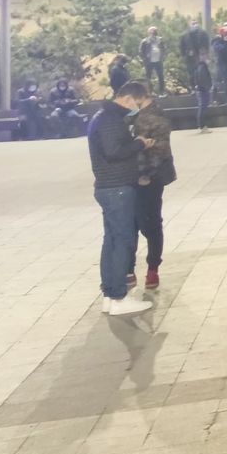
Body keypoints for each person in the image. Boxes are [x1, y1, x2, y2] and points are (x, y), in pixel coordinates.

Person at [88, 82, 153, 316]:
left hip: (110, 187)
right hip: (116, 188)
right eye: (136, 103)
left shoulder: (104, 117)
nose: (136, 108)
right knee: (122, 241)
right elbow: (113, 151)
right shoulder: (110, 120)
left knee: (112, 241)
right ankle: (118, 296)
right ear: (126, 99)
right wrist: (139, 143)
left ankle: (110, 295)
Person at [129, 84, 177, 291]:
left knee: (151, 223)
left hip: (150, 179)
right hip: (135, 178)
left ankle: (152, 268)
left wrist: (146, 175)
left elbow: (160, 150)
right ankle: (130, 269)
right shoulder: (134, 117)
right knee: (133, 223)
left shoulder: (157, 118)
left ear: (140, 97)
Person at [140, 27, 166, 94]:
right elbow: (141, 51)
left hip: (158, 61)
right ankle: (148, 92)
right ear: (148, 33)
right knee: (148, 77)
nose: (153, 33)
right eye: (151, 32)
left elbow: (164, 48)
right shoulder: (145, 41)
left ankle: (162, 92)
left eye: (154, 31)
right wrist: (145, 59)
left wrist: (162, 56)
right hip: (149, 62)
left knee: (161, 76)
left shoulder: (160, 40)